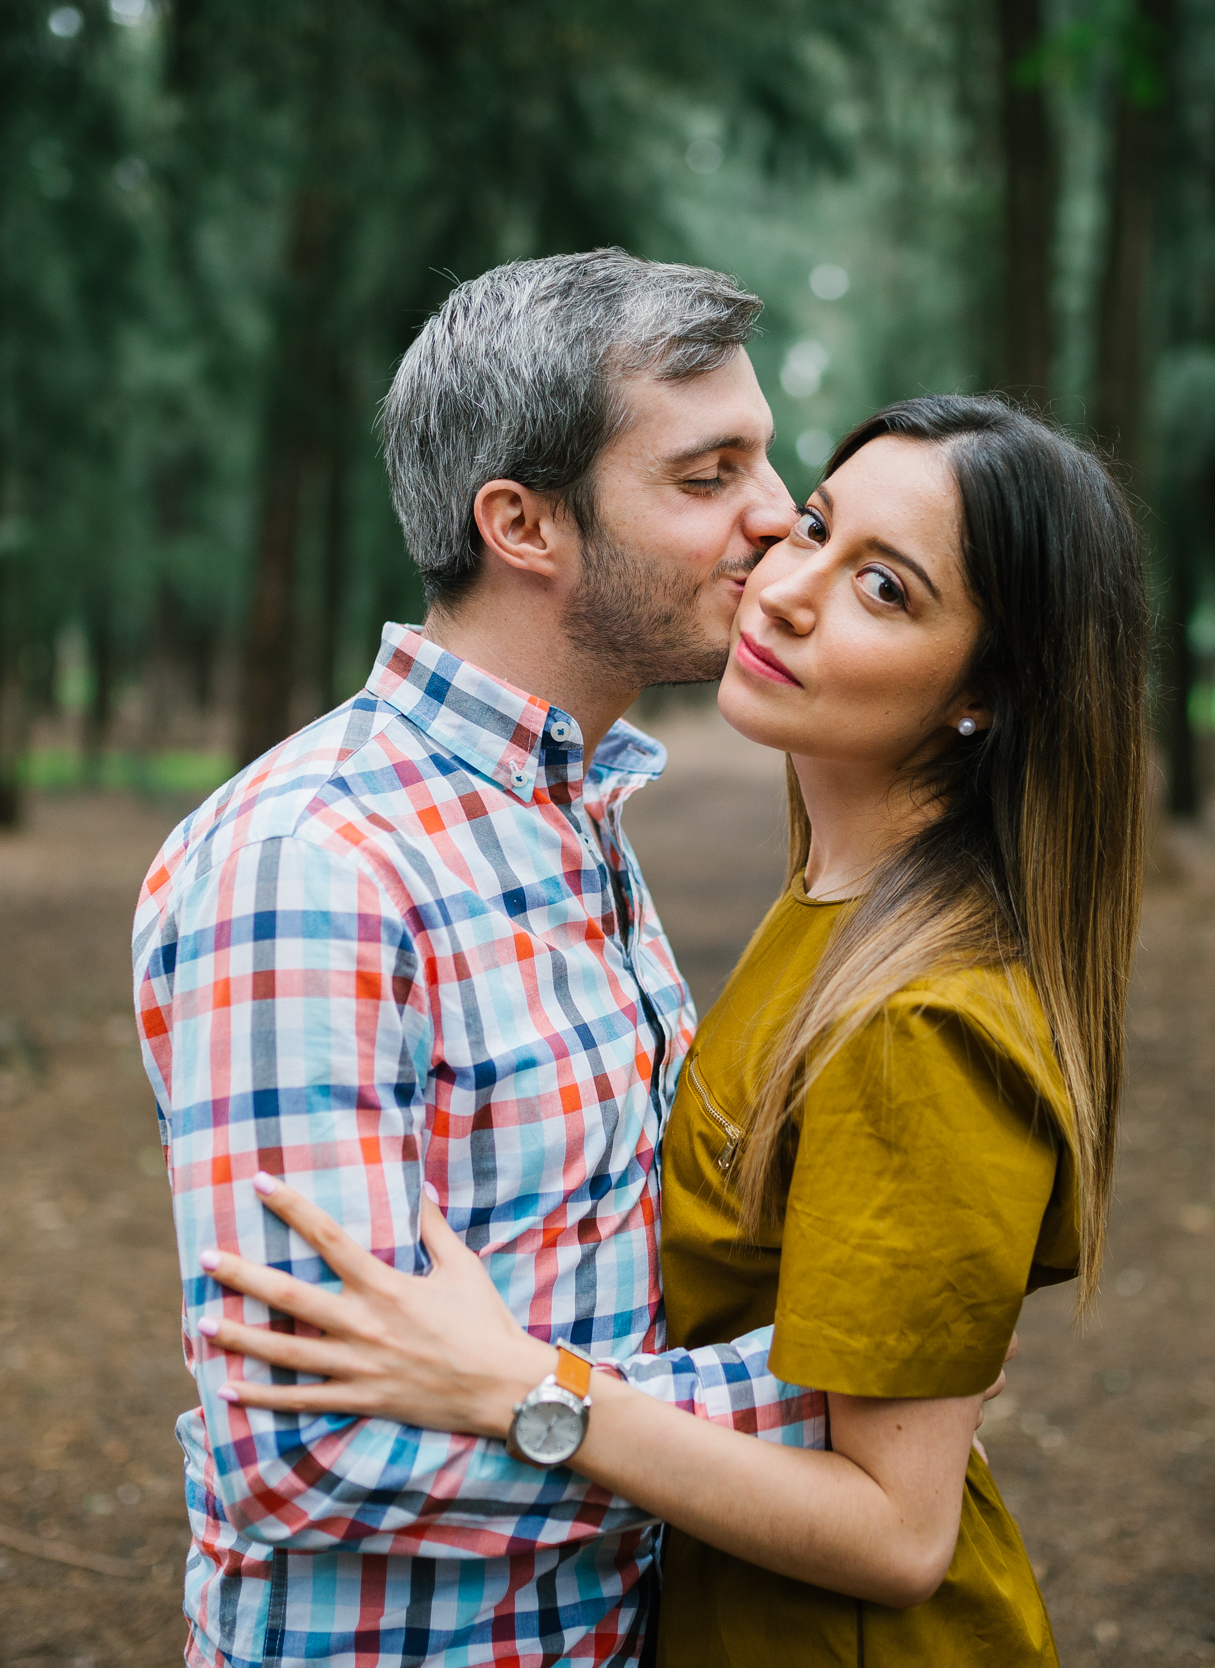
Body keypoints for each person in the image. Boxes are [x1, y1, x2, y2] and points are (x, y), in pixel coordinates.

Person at [200, 395, 1152, 1666]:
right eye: (814, 525)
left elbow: (894, 1530)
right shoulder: (825, 907)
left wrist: (519, 1387)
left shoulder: (923, 1013)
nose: (789, 586)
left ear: (982, 693)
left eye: (884, 587)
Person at [131, 250, 841, 1668]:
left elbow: (586, 1286)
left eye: (764, 461)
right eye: (708, 477)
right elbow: (308, 1452)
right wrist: (828, 1404)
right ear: (524, 523)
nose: (777, 518)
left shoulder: (565, 811)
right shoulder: (315, 868)